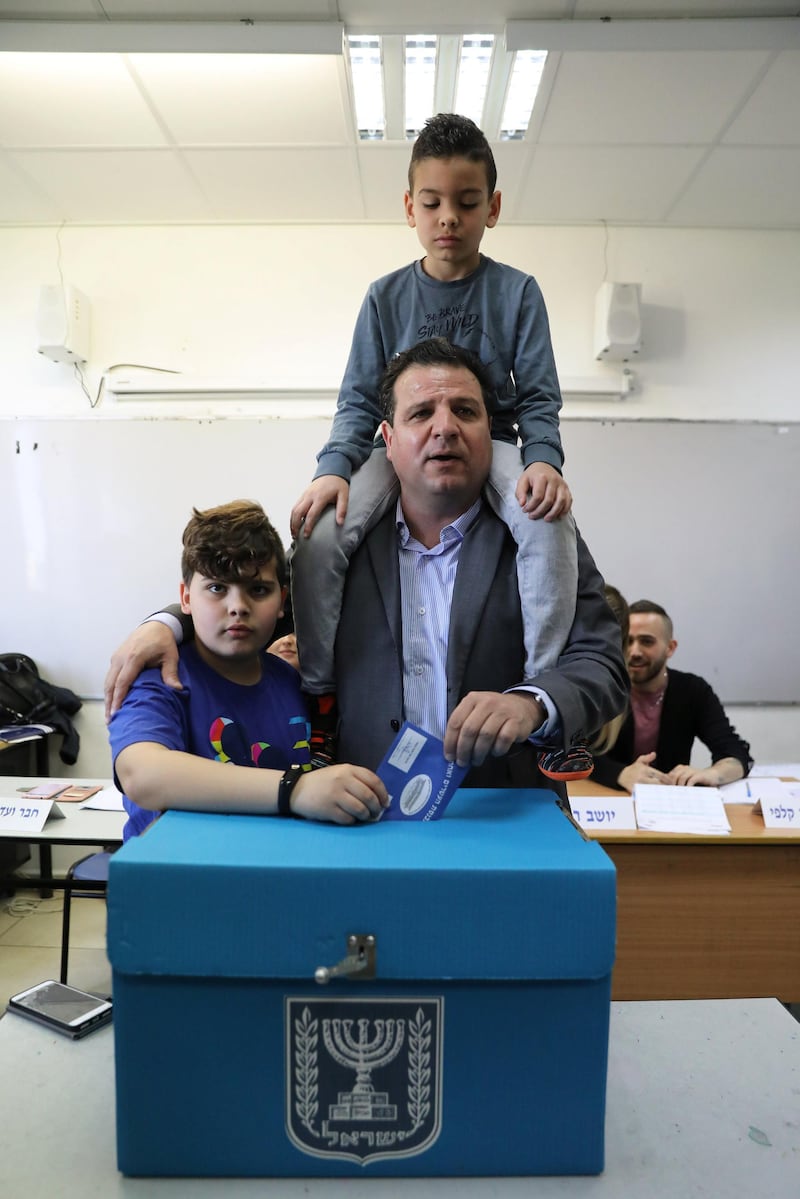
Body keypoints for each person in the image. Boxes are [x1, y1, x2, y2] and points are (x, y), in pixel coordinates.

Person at [104, 341, 628, 794]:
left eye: (465, 411)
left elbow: (603, 666)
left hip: (502, 815)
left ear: (490, 431)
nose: (444, 428)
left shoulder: (542, 539)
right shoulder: (332, 546)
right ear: (388, 439)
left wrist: (533, 704)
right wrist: (170, 621)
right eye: (421, 413)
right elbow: (254, 601)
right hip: (360, 812)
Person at [288, 113, 588, 779]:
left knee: (548, 519)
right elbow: (359, 399)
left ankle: (536, 686)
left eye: (467, 202)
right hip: (398, 460)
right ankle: (318, 689)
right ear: (410, 208)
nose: (448, 217)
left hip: (496, 446)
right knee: (319, 529)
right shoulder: (385, 296)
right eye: (432, 203)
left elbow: (538, 393)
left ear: (494, 207)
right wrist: (335, 469)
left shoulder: (517, 292)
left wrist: (543, 460)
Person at [108, 500, 387, 841]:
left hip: (269, 873)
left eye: (258, 590)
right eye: (216, 588)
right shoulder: (160, 678)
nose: (238, 607)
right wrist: (295, 791)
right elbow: (142, 774)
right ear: (185, 598)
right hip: (181, 882)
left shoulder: (291, 682)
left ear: (282, 600)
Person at [591, 599, 753, 791]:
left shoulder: (692, 690)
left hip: (670, 806)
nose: (634, 651)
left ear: (670, 647)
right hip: (610, 801)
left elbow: (735, 752)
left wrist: (711, 774)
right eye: (628, 641)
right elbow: (576, 753)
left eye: (646, 641)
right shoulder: (604, 688)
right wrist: (620, 773)